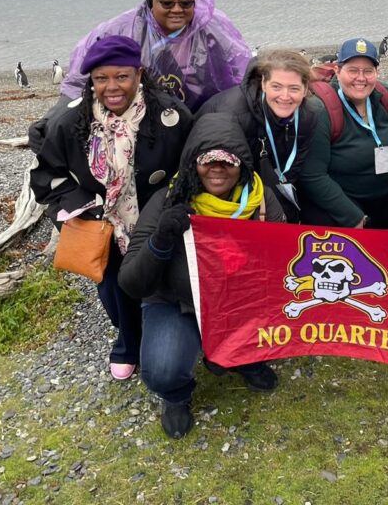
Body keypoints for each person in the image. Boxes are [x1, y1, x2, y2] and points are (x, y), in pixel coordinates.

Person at [30, 35, 192, 380]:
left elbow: (188, 171)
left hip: (152, 222)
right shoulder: (69, 124)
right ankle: (127, 339)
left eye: (122, 76)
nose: (112, 87)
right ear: (91, 80)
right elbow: (47, 180)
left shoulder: (171, 116)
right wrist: (79, 214)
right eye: (101, 78)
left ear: (139, 73)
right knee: (111, 287)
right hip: (99, 222)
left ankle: (160, 333)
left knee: (155, 282)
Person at [119, 113, 285, 439]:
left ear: (244, 164)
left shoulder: (261, 201)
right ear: (193, 162)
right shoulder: (169, 200)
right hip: (178, 301)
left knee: (280, 324)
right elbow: (131, 282)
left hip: (236, 301)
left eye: (228, 160)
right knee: (163, 370)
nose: (217, 168)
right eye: (207, 159)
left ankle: (239, 357)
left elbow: (285, 263)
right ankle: (176, 395)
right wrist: (161, 242)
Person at [29, 0, 249, 153]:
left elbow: (243, 70)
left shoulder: (213, 26)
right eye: (167, 3)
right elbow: (79, 79)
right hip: (144, 121)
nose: (177, 10)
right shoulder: (122, 29)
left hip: (203, 116)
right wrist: (53, 118)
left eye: (186, 3)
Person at [299, 37, 388, 228]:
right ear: (337, 71)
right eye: (353, 70)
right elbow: (312, 175)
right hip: (346, 208)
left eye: (368, 71)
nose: (361, 78)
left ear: (377, 72)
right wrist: (354, 218)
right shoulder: (321, 110)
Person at [198, 49, 318, 222]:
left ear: (305, 89)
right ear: (263, 83)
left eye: (294, 88)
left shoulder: (308, 115)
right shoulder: (231, 114)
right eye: (276, 87)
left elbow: (294, 167)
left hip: (271, 184)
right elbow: (215, 174)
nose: (285, 96)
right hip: (224, 191)